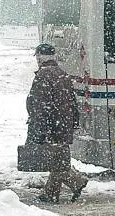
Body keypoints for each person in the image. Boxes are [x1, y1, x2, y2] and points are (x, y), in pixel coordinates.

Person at [27, 43, 88, 204]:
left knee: (56, 160)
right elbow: (72, 102)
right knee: (58, 159)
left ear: (40, 57)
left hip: (52, 126)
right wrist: (74, 122)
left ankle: (71, 184)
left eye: (37, 57)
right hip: (63, 124)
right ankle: (55, 192)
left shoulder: (43, 76)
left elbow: (40, 106)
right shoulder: (62, 74)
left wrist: (39, 129)